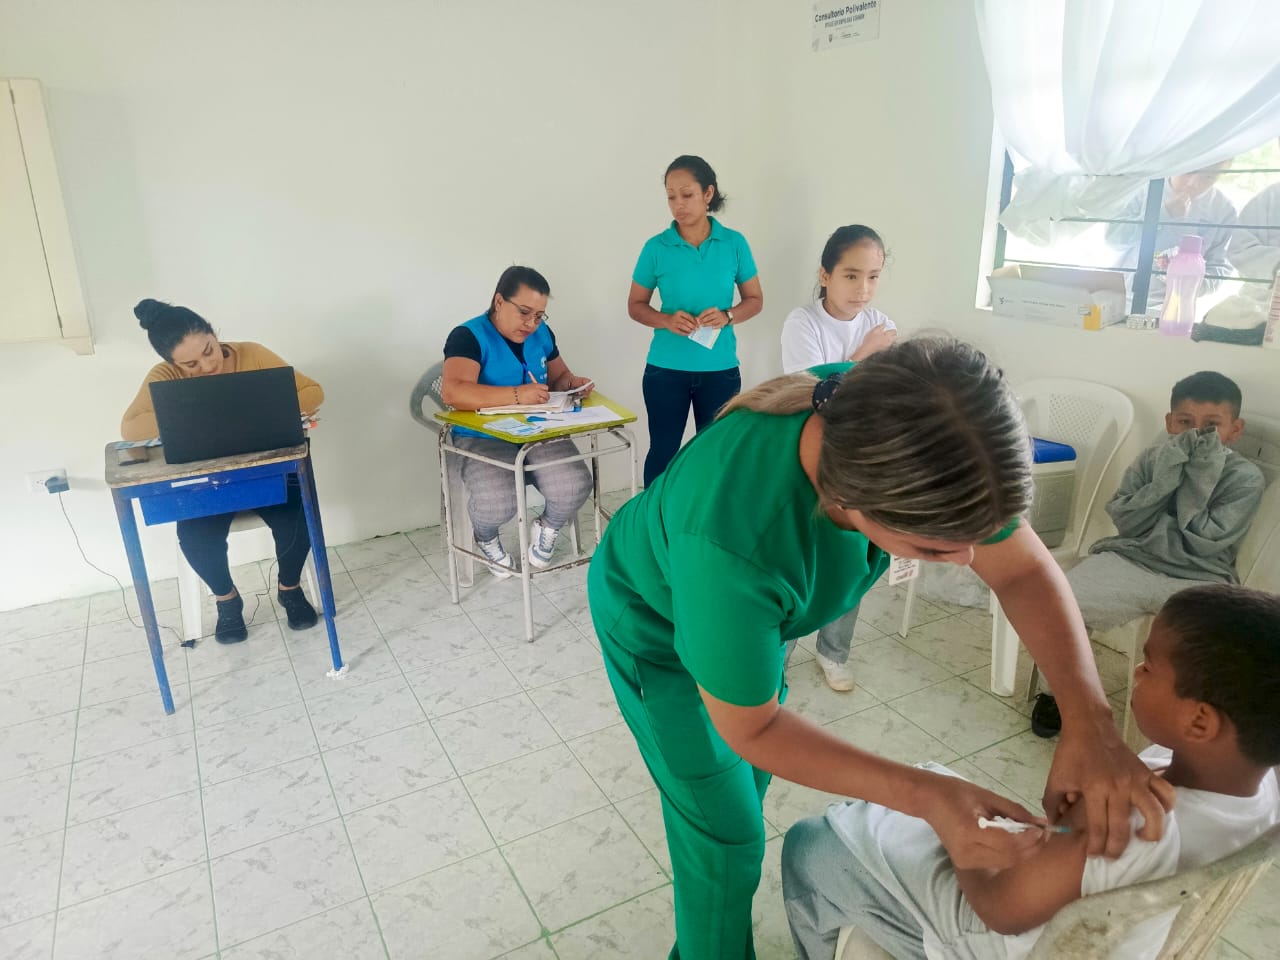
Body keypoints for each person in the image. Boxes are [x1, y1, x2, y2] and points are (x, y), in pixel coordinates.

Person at [586, 338, 1172, 959]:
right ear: (848, 502)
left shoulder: (905, 418)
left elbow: (1023, 570)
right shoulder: (732, 545)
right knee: (724, 837)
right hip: (655, 631)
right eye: (936, 548)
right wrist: (926, 796)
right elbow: (755, 726)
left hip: (740, 620)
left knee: (744, 786)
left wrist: (1090, 721)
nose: (970, 561)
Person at [782, 583, 1280, 960]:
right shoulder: (1263, 795)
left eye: (1148, 666)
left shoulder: (1125, 819)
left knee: (814, 843)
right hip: (1070, 907)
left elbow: (999, 911)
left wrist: (962, 843)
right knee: (928, 791)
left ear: (1200, 721)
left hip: (995, 933)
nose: (1135, 672)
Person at [1031, 371, 1265, 737]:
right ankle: (1058, 696)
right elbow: (1126, 520)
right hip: (1132, 558)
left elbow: (1204, 541)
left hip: (1200, 573)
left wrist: (1200, 473)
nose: (1196, 434)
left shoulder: (1245, 478)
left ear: (1235, 430)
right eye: (1185, 422)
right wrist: (1166, 475)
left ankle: (1180, 717)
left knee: (1214, 640)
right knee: (1058, 605)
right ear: (1170, 423)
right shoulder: (1152, 460)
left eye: (1211, 426)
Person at [120, 298, 322, 643]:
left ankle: (289, 589)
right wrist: (206, 408)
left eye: (209, 351)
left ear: (214, 334)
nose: (207, 365)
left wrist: (240, 406)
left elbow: (312, 392)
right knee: (195, 536)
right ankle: (227, 600)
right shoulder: (164, 376)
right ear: (172, 364)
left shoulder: (252, 354)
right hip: (206, 483)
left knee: (297, 519)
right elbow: (130, 428)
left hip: (266, 474)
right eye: (190, 364)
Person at [780, 224, 897, 691]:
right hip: (808, 457)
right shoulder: (803, 323)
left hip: (859, 460)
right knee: (799, 562)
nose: (863, 289)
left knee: (851, 560)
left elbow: (882, 398)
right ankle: (777, 655)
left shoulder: (882, 323)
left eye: (873, 276)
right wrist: (864, 355)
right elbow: (812, 395)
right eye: (851, 275)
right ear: (825, 275)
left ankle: (833, 652)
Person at [440, 265, 594, 576]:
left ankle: (547, 527)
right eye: (524, 312)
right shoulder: (468, 336)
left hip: (538, 429)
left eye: (539, 315)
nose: (531, 323)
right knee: (497, 503)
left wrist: (572, 383)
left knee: (574, 484)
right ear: (499, 301)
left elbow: (559, 376)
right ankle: (485, 538)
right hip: (482, 436)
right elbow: (453, 392)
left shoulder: (542, 334)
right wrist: (516, 395)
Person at [627, 155, 764, 487]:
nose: (678, 204)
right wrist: (665, 320)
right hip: (665, 370)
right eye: (671, 196)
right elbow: (635, 305)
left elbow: (755, 300)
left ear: (708, 193)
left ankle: (707, 515)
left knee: (715, 452)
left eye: (687, 194)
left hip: (720, 370)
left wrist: (728, 315)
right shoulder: (656, 248)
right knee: (663, 452)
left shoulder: (734, 244)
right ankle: (656, 515)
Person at [1105, 163, 1237, 313]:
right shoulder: (1144, 188)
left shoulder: (1223, 210)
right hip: (1123, 294)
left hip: (1175, 306)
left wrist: (1194, 286)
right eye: (1189, 171)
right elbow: (1113, 238)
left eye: (1208, 177)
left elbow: (1220, 266)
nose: (1193, 183)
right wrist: (1162, 214)